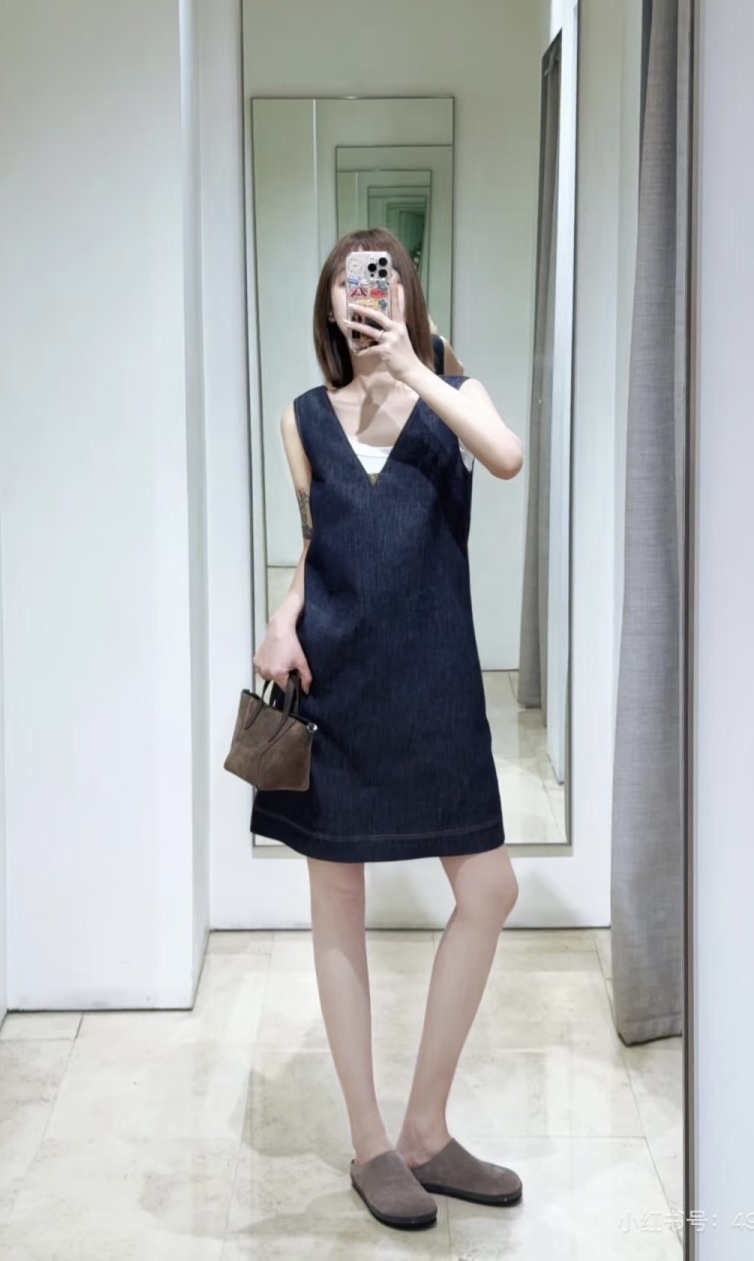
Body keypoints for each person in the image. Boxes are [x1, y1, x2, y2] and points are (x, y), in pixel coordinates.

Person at [250, 227, 525, 1232]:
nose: (364, 295)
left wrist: (416, 364)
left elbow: (507, 457)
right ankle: (373, 1141)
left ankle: (425, 1129)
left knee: (490, 887)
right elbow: (315, 541)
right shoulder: (300, 417)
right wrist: (285, 613)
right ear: (330, 306)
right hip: (340, 683)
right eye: (347, 284)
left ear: (405, 293)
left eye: (380, 280)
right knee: (337, 902)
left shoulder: (453, 392)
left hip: (438, 683)